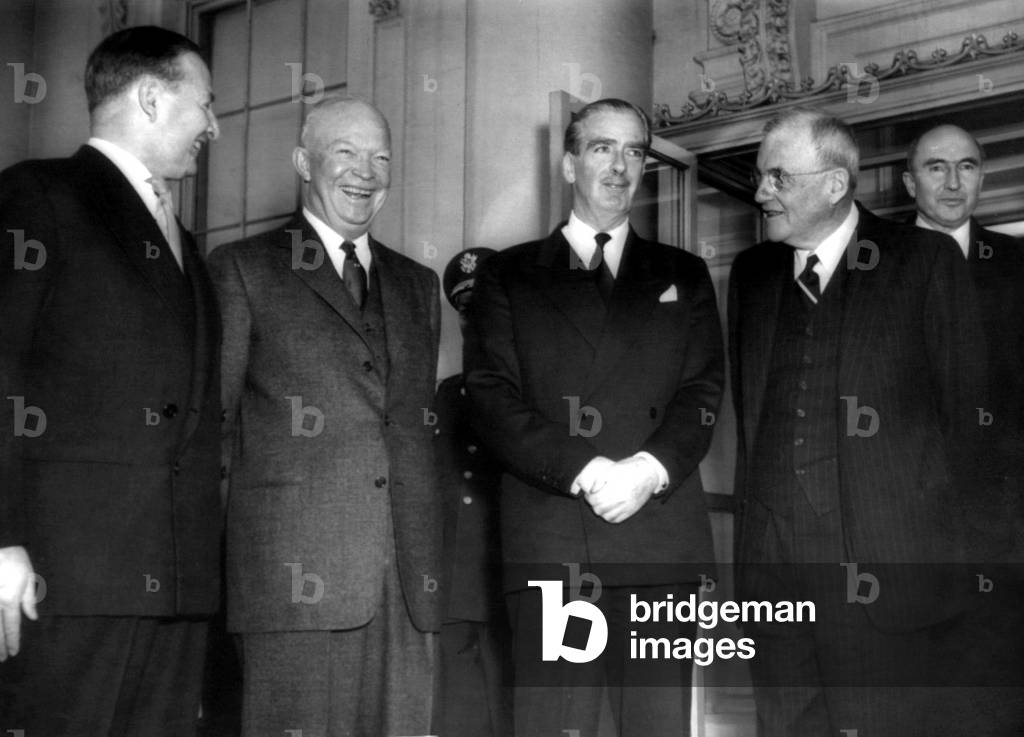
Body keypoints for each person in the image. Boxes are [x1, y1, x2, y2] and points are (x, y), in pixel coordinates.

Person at [464, 97, 724, 737]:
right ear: (569, 163)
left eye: (635, 151)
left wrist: (647, 470)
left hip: (659, 542)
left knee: (657, 727)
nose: (621, 165)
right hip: (556, 540)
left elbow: (704, 392)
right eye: (603, 147)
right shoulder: (509, 274)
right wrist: (585, 469)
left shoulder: (683, 274)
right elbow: (492, 398)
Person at [729, 107, 986, 736]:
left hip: (882, 572)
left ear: (834, 184)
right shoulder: (752, 275)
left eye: (777, 178)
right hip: (772, 571)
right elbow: (750, 410)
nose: (761, 193)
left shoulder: (923, 260)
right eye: (761, 177)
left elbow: (966, 417)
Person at [0, 26, 222, 735]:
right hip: (67, 578)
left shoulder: (183, 241)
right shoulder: (38, 196)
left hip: (175, 582)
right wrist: (1, 542)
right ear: (153, 98)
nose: (213, 126)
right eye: (205, 104)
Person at [208, 96, 442, 737]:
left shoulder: (419, 285)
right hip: (289, 585)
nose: (365, 172)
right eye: (345, 152)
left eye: (380, 157)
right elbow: (214, 437)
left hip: (407, 589)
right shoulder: (242, 270)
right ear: (302, 162)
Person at [903, 123, 1024, 733]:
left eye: (968, 166)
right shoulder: (869, 264)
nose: (953, 182)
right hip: (901, 523)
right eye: (935, 167)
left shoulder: (1018, 266)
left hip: (1003, 528)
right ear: (908, 181)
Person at [436, 247, 512, 737]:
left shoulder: (540, 395)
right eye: (466, 311)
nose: (474, 322)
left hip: (514, 577)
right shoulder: (445, 395)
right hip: (453, 584)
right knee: (457, 716)